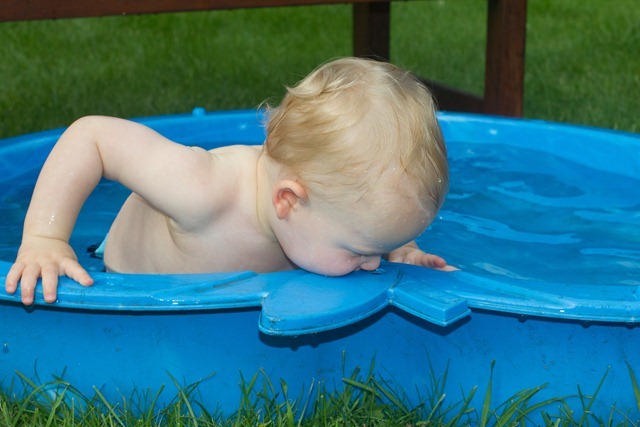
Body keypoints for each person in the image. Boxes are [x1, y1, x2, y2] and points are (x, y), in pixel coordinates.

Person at [5, 57, 453, 306]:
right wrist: (46, 238)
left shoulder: (324, 212)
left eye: (377, 249)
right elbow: (91, 137)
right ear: (288, 201)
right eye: (360, 250)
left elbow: (356, 220)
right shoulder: (202, 190)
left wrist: (398, 247)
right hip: (122, 275)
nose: (372, 265)